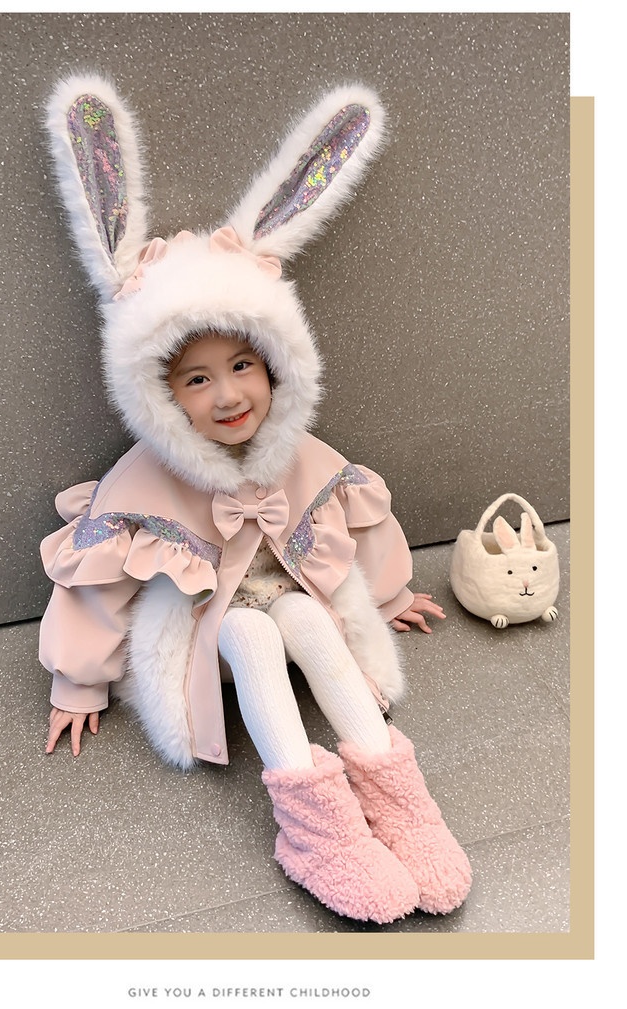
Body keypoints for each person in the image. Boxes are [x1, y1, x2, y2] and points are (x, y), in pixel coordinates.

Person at [38, 74, 472, 923]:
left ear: (279, 363)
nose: (229, 393)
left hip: (296, 596)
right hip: (207, 623)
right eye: (195, 378)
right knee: (247, 628)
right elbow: (96, 584)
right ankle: (315, 825)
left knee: (302, 616)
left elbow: (357, 520)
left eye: (242, 364)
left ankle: (398, 795)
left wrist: (389, 595)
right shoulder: (144, 481)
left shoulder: (299, 454)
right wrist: (78, 682)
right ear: (157, 393)